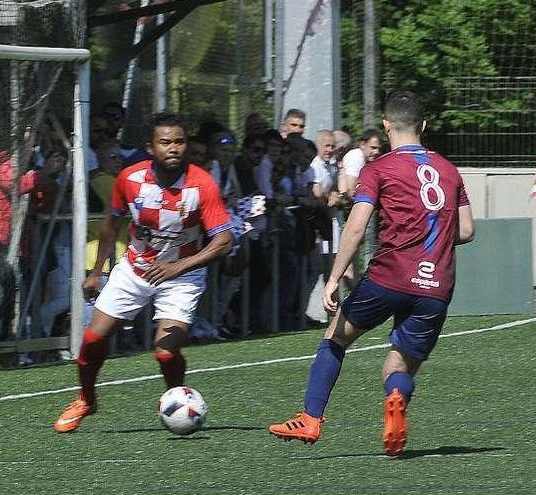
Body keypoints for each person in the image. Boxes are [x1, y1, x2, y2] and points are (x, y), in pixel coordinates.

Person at [268, 90, 475, 456]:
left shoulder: (377, 168)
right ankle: (396, 395)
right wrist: (433, 238)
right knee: (398, 366)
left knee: (336, 337)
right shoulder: (447, 169)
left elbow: (356, 227)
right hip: (436, 284)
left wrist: (333, 278)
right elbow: (466, 230)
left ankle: (311, 418)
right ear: (423, 126)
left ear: (385, 126)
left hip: (389, 275)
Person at [53, 113, 234, 433]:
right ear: (150, 147)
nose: (174, 148)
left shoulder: (202, 183)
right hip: (136, 268)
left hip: (182, 275)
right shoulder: (129, 179)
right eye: (165, 142)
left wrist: (175, 268)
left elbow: (223, 242)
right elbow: (112, 225)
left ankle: (176, 398)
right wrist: (97, 272)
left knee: (164, 352)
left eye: (179, 141)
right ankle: (86, 399)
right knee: (93, 338)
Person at [339, 129, 383, 198]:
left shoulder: (365, 159)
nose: (377, 152)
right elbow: (351, 190)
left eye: (378, 148)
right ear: (362, 144)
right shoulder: (356, 157)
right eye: (373, 148)